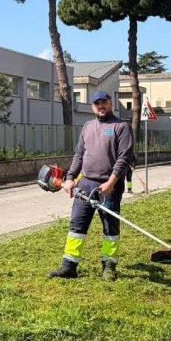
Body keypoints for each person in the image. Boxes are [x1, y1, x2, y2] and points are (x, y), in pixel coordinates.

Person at [49, 91, 134, 281]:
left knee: (110, 226)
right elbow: (79, 155)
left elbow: (124, 158)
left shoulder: (121, 127)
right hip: (85, 184)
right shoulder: (87, 127)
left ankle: (109, 265)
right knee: (77, 224)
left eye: (104, 102)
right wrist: (70, 178)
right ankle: (69, 266)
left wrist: (111, 182)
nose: (100, 106)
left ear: (111, 103)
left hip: (109, 186)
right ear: (92, 107)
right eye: (97, 104)